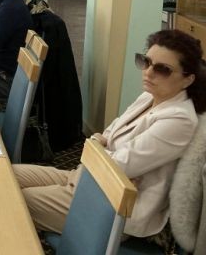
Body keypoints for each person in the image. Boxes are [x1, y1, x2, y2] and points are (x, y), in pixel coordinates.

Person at [15, 29, 205, 240]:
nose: (149, 73)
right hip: (88, 178)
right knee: (7, 175)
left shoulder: (180, 120)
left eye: (163, 69)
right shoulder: (149, 95)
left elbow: (117, 165)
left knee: (16, 200)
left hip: (114, 207)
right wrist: (100, 146)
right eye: (146, 62)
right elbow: (109, 133)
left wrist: (98, 147)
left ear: (188, 79)